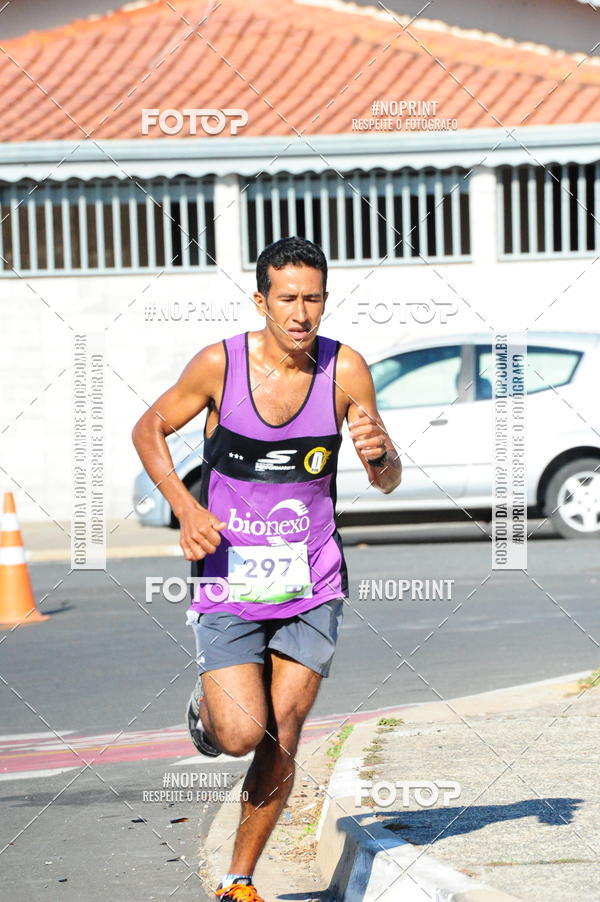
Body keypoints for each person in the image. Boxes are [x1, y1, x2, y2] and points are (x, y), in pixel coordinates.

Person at [131, 236, 401, 902]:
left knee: (286, 728)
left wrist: (382, 454)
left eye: (313, 298)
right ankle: (208, 708)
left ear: (324, 300)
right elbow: (148, 428)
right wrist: (185, 508)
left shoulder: (347, 371)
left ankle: (239, 879)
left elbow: (387, 479)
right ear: (262, 300)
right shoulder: (219, 365)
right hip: (230, 572)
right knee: (240, 732)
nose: (301, 312)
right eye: (288, 298)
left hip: (314, 575)